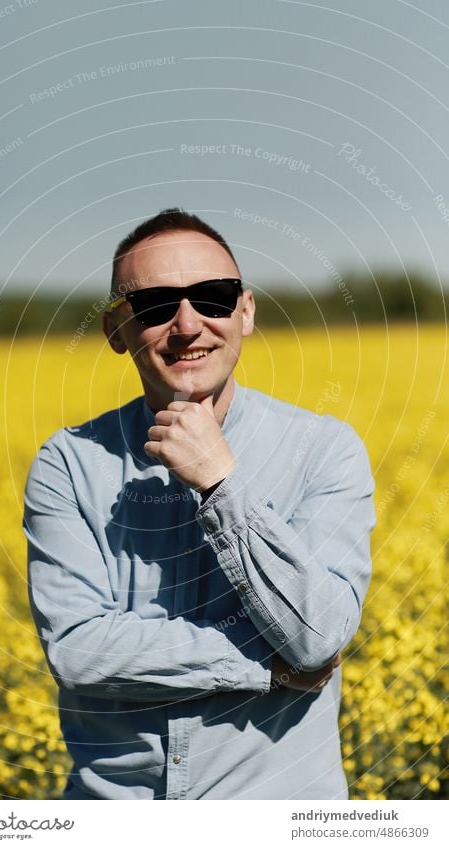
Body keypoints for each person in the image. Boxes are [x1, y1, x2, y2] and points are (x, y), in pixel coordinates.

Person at [23, 208, 376, 800]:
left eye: (212, 297)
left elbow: (316, 637)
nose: (188, 325)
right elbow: (78, 648)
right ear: (116, 330)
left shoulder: (324, 450)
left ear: (246, 311)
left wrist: (220, 482)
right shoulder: (69, 463)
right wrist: (265, 667)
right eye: (156, 306)